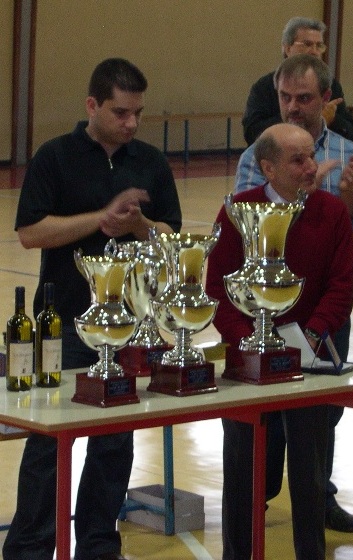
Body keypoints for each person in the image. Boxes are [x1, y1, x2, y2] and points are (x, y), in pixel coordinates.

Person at [3, 58, 182, 560]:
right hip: (61, 323)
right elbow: (30, 232)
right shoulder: (54, 157)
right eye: (120, 112)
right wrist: (100, 220)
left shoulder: (150, 162)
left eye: (138, 114)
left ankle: (99, 545)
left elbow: (172, 233)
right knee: (46, 441)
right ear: (92, 105)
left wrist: (139, 225)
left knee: (114, 441)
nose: (131, 123)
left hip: (130, 325)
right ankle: (30, 548)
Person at [236, 53, 353, 532]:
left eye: (303, 98)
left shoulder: (348, 154)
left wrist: (348, 201)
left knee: (322, 416)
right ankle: (258, 497)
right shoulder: (260, 152)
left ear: (326, 101)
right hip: (265, 310)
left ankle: (318, 497)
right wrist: (300, 196)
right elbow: (244, 228)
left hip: (325, 309)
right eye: (285, 97)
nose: (292, 107)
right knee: (265, 416)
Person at [206, 122, 353, 559]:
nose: (312, 167)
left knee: (310, 475)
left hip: (307, 365)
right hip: (246, 365)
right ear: (267, 167)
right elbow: (217, 285)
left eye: (312, 156)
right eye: (298, 160)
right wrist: (246, 342)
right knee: (242, 471)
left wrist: (308, 339)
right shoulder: (236, 211)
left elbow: (340, 286)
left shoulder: (331, 212)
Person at [242, 16, 353, 145]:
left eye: (319, 45)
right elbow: (252, 133)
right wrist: (299, 119)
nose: (314, 52)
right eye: (307, 44)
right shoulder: (264, 86)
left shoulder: (330, 84)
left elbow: (352, 133)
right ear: (287, 48)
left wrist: (332, 120)